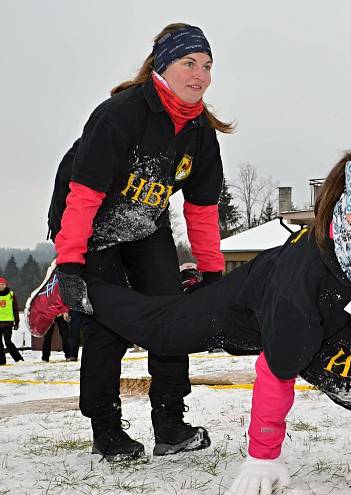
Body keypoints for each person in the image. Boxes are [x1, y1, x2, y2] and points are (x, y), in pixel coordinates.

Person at [65, 133, 351, 495]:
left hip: (342, 323)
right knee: (163, 329)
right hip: (256, 302)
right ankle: (79, 291)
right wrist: (263, 455)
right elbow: (277, 367)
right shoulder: (305, 276)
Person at [27, 23, 233, 461]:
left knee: (170, 316)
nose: (200, 75)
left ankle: (170, 424)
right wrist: (70, 265)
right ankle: (106, 430)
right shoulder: (120, 114)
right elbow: (83, 196)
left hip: (145, 224)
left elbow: (201, 210)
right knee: (110, 323)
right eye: (189, 63)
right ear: (162, 65)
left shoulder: (199, 133)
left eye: (207, 66)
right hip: (90, 223)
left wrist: (213, 274)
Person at [0, 277, 24, 365]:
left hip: (8, 323)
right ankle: (1, 362)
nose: (1, 286)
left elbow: (15, 309)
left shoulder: (11, 295)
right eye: (0, 285)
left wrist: (17, 322)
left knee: (8, 342)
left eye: (3, 284)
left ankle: (19, 359)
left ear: (6, 285)